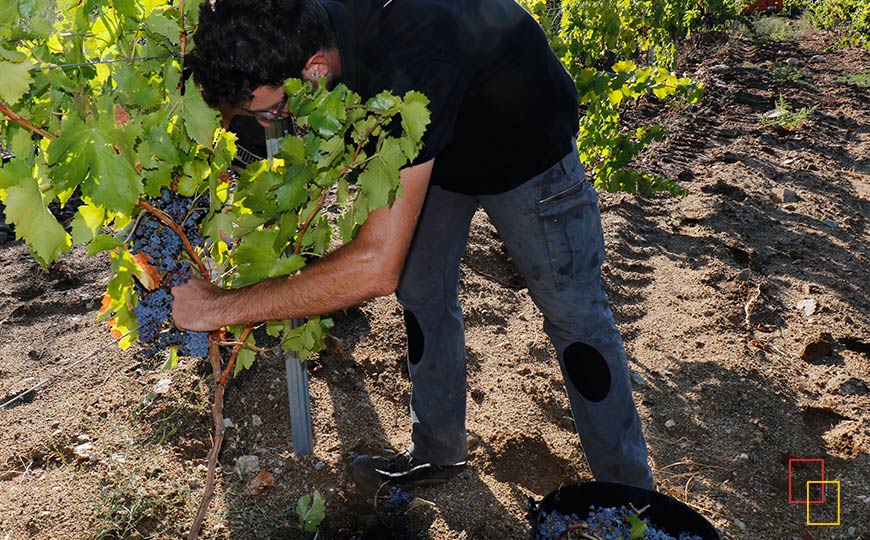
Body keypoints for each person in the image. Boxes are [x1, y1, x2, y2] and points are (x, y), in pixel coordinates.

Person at [179, 0, 655, 490]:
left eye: (272, 111)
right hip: (435, 158)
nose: (267, 124)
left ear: (314, 68)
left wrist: (221, 307)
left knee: (573, 316)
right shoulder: (295, 26)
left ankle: (630, 496)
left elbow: (374, 267)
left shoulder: (413, 49)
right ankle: (438, 452)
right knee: (421, 292)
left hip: (527, 150)